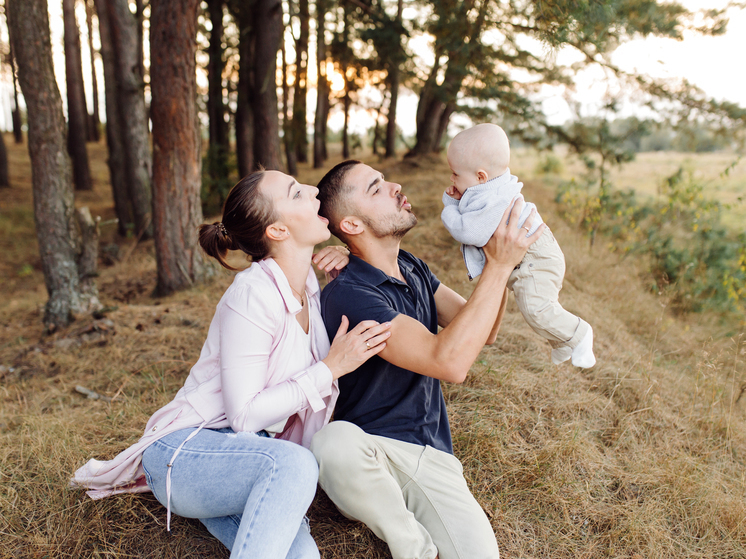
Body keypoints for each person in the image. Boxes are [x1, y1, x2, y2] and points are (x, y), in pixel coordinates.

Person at [71, 170, 392, 559]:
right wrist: (329, 368)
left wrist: (347, 255)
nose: (312, 190)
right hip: (185, 453)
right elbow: (243, 416)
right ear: (277, 231)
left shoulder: (306, 281)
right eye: (296, 193)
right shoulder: (252, 294)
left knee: (304, 556)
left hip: (248, 460)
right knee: (296, 465)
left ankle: (221, 505)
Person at [310, 159, 545, 559]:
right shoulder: (350, 293)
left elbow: (483, 331)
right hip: (372, 451)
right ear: (351, 225)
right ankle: (414, 549)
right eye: (375, 187)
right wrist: (499, 266)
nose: (395, 186)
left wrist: (496, 265)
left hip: (432, 455)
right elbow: (449, 363)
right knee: (333, 444)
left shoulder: (411, 266)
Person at [441, 123, 595, 368]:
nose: (451, 178)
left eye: (455, 174)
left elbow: (468, 231)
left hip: (536, 255)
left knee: (536, 308)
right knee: (531, 305)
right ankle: (563, 343)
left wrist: (449, 206)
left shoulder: (494, 198)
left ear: (481, 176)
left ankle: (578, 333)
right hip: (532, 253)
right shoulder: (493, 186)